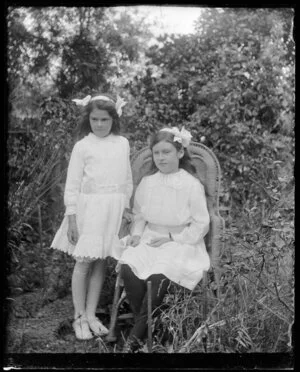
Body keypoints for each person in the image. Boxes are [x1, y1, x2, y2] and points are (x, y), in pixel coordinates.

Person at [117, 127, 210, 352]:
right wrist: (137, 234)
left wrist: (172, 238)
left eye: (166, 152)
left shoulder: (191, 184)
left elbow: (201, 223)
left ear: (179, 153)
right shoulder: (148, 183)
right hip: (150, 235)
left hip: (180, 240)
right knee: (129, 264)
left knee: (161, 271)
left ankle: (135, 340)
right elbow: (139, 215)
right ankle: (158, 329)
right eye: (156, 153)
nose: (161, 158)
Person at [51, 93, 133, 340]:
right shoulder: (82, 146)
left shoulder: (122, 143)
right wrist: (72, 217)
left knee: (101, 260)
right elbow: (72, 185)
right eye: (95, 119)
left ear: (113, 119)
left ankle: (91, 314)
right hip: (90, 210)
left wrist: (126, 209)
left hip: (114, 209)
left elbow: (127, 179)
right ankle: (78, 317)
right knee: (84, 261)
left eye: (105, 120)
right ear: (89, 119)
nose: (99, 124)